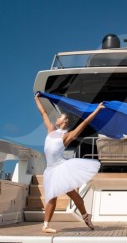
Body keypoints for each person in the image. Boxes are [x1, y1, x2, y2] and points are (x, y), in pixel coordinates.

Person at [35, 93, 104, 233]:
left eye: (60, 117)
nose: (57, 118)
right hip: (50, 170)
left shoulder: (67, 135)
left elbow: (85, 123)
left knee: (72, 196)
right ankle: (46, 225)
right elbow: (43, 112)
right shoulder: (50, 130)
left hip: (61, 168)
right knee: (53, 197)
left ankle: (85, 217)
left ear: (65, 121)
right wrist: (37, 98)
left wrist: (97, 110)